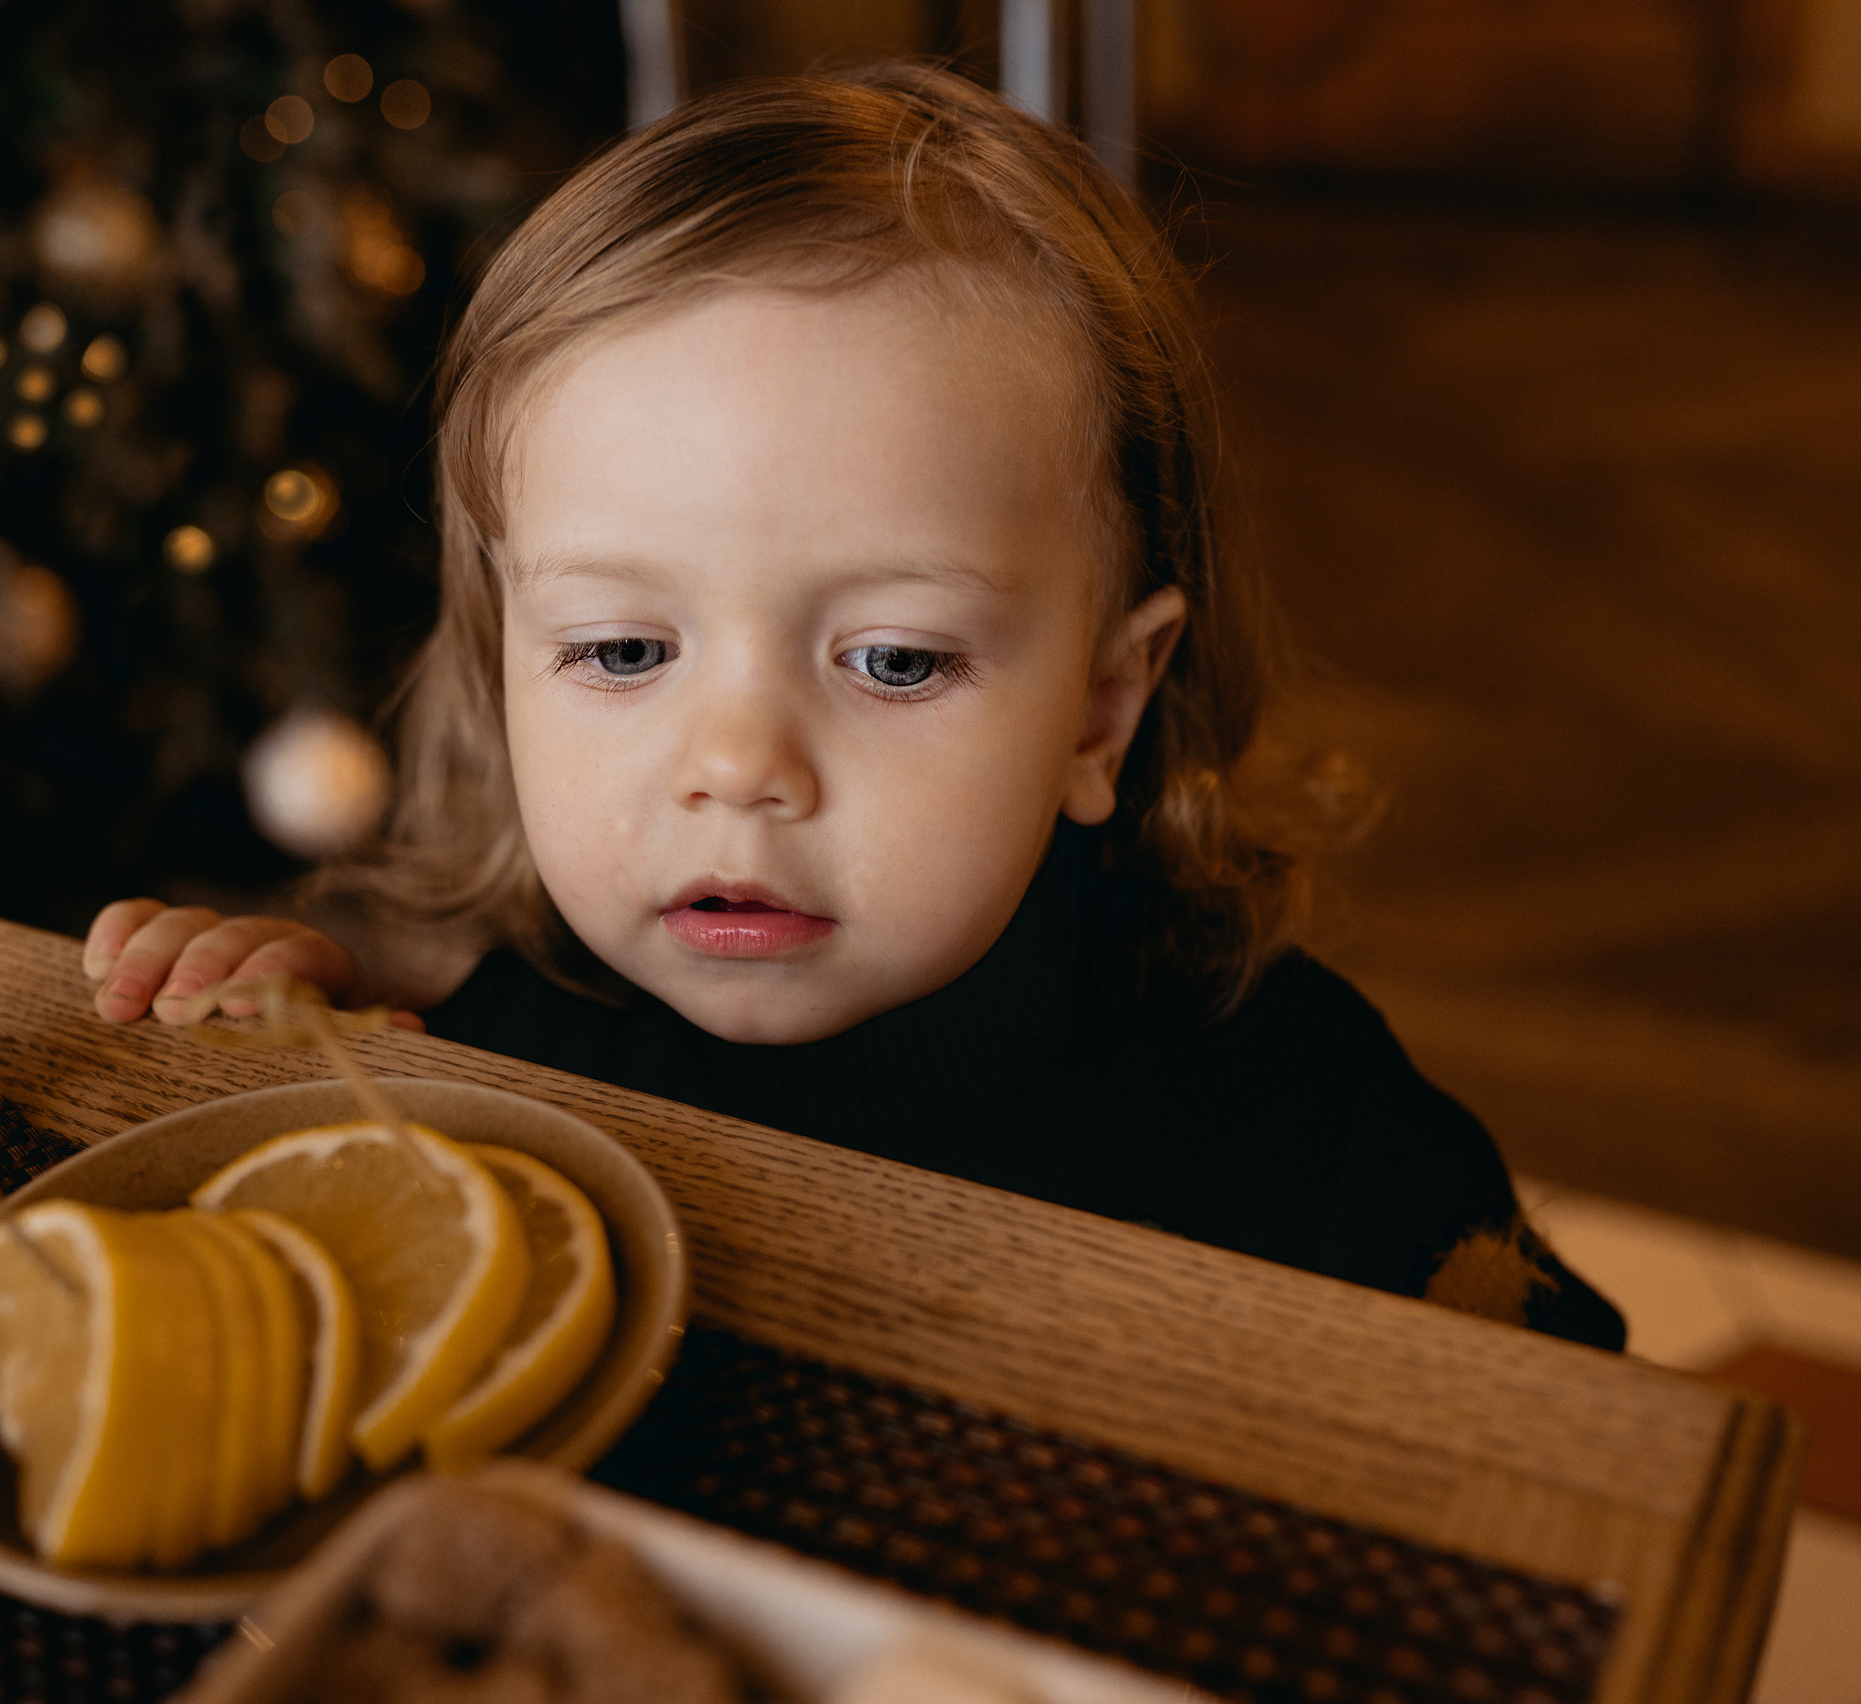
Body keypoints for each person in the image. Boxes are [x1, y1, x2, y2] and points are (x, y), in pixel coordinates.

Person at [86, 66, 1625, 1350]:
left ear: (1103, 711)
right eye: (621, 651)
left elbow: (1582, 1470)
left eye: (892, 662)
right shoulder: (469, 1047)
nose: (736, 766)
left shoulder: (1309, 1136)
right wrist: (297, 1047)